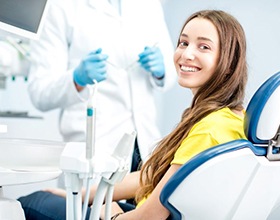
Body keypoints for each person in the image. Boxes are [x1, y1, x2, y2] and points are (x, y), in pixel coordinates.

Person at [19, 9, 248, 219]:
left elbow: (151, 215)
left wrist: (111, 214)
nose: (186, 54)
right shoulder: (229, 118)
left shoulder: (209, 128)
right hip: (103, 144)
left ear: (229, 61)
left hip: (140, 177)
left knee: (29, 203)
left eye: (203, 47)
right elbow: (153, 177)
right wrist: (81, 196)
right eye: (183, 43)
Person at [27, 0, 176, 172]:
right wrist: (76, 79)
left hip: (145, 145)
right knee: (92, 198)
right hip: (95, 147)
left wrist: (162, 70)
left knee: (144, 194)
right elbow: (40, 91)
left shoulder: (149, 5)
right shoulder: (59, 6)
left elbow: (171, 73)